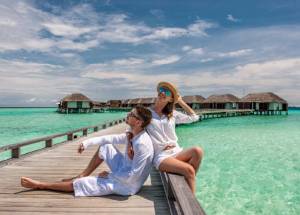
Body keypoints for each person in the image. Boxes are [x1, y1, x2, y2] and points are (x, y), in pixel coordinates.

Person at [21, 106, 153, 197]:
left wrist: (110, 175)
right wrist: (86, 143)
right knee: (105, 145)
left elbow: (133, 177)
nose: (128, 115)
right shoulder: (133, 133)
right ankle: (83, 174)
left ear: (138, 122)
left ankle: (42, 185)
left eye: (131, 114)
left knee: (80, 184)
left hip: (127, 186)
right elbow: (108, 138)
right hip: (124, 171)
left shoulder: (142, 144)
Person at [146, 81, 203, 194]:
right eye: (161, 90)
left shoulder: (172, 114)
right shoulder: (146, 113)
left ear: (171, 99)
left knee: (198, 151)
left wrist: (180, 101)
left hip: (176, 151)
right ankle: (191, 205)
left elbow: (194, 117)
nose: (162, 92)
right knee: (189, 170)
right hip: (161, 156)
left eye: (166, 91)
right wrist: (130, 144)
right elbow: (132, 127)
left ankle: (186, 188)